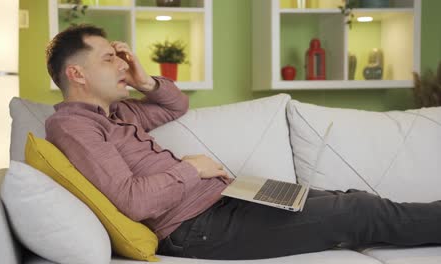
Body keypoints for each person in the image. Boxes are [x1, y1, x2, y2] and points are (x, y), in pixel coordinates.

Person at [44, 24, 441, 260]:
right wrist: (192, 169)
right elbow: (131, 199)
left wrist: (144, 80)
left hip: (227, 199)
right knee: (358, 211)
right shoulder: (76, 128)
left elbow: (174, 105)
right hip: (195, 228)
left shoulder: (119, 113)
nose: (121, 63)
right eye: (109, 58)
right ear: (77, 74)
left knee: (353, 198)